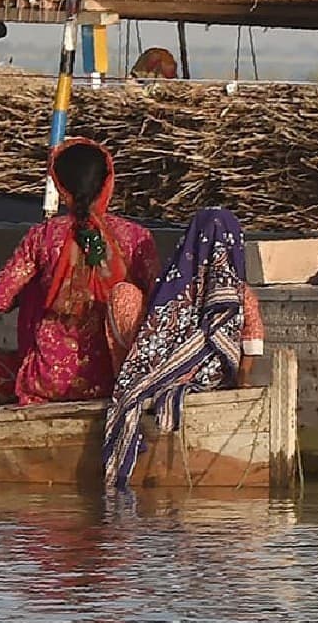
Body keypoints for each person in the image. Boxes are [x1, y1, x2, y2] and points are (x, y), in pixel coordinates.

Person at [0, 138, 160, 404]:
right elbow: (161, 301)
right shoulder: (136, 238)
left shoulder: (43, 237)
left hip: (49, 383)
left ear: (60, 185)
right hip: (119, 379)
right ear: (108, 182)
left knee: (35, 287)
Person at [101, 208, 265, 490]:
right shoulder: (240, 292)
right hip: (209, 379)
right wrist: (242, 381)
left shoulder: (171, 288)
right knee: (125, 295)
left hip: (167, 374)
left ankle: (137, 380)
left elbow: (251, 340)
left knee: (125, 295)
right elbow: (253, 343)